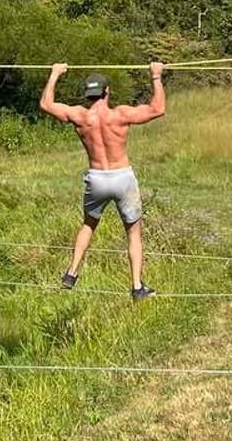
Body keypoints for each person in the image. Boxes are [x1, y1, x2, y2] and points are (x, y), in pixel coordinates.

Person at [40, 62, 166, 299]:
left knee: (88, 224)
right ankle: (138, 287)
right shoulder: (120, 115)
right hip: (122, 177)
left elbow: (46, 104)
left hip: (97, 177)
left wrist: (54, 74)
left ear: (88, 95)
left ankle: (71, 273)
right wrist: (156, 76)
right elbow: (157, 108)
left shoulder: (81, 116)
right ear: (107, 92)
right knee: (133, 232)